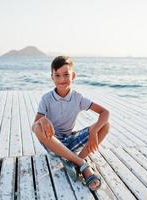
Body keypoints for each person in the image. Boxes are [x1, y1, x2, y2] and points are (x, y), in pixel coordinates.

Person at [32, 56, 110, 191]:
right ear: (52, 77)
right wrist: (43, 119)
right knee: (37, 128)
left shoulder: (78, 98)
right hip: (53, 142)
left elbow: (105, 112)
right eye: (57, 75)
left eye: (66, 75)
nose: (62, 79)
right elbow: (34, 126)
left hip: (70, 140)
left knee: (106, 125)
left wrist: (93, 131)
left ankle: (73, 162)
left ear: (73, 75)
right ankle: (82, 165)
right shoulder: (46, 99)